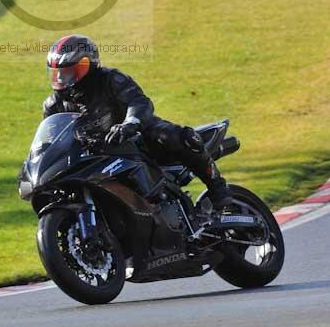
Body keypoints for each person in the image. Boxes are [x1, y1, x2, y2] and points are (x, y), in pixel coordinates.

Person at [43, 34, 232, 210]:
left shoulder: (111, 79)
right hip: (96, 156)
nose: (63, 79)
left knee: (172, 136)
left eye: (72, 71)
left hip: (136, 138)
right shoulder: (54, 105)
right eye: (59, 73)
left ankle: (217, 187)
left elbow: (138, 101)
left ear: (91, 64)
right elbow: (51, 139)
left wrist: (130, 123)